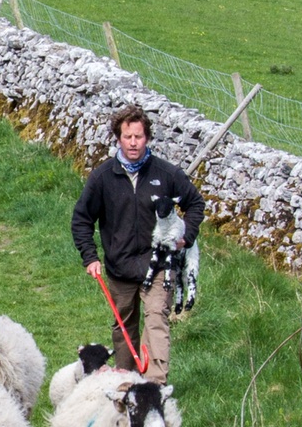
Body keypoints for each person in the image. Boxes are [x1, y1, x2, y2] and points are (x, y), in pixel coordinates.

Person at [70, 104, 204, 380]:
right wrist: (90, 257)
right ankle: (125, 380)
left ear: (148, 138)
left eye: (139, 137)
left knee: (156, 319)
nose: (133, 143)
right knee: (123, 326)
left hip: (158, 266)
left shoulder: (166, 174)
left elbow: (195, 203)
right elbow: (82, 218)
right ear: (118, 138)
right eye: (128, 137)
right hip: (119, 266)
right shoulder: (103, 177)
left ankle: (154, 385)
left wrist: (185, 238)